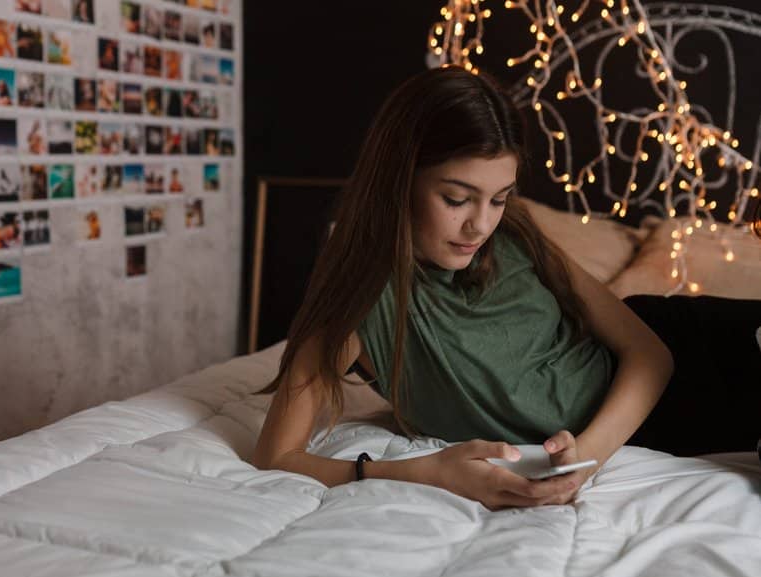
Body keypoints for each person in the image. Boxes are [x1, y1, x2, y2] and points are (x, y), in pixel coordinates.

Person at [252, 65, 761, 510]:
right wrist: (426, 471)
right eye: (457, 198)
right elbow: (278, 455)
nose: (480, 225)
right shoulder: (360, 302)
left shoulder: (515, 234)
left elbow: (651, 355)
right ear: (398, 183)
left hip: (691, 354)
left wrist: (584, 458)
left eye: (499, 198)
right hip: (684, 415)